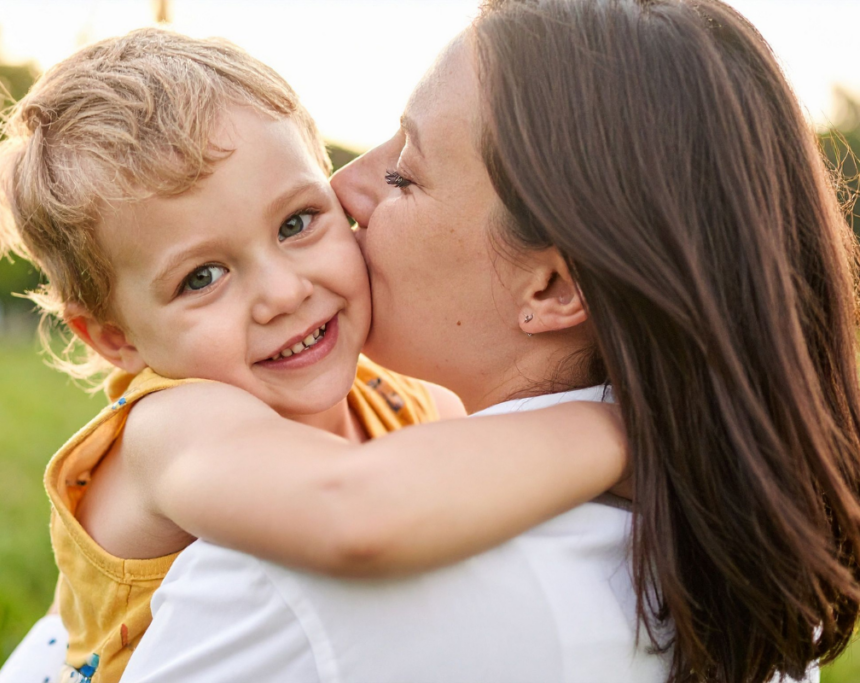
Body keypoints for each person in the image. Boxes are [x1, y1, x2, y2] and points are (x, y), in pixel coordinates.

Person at [120, 1, 860, 682]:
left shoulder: (297, 578)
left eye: (405, 173)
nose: (346, 188)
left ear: (553, 289)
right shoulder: (748, 562)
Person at [0, 28, 628, 683]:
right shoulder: (173, 428)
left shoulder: (404, 398)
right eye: (202, 277)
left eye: (296, 223)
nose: (284, 293)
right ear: (115, 337)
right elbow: (356, 515)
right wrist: (622, 427)